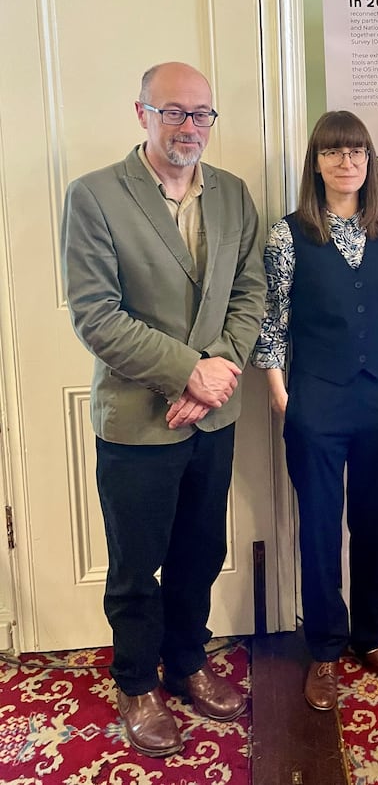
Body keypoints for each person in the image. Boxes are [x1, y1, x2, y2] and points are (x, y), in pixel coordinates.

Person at [61, 62, 266, 758]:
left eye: (202, 114)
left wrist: (218, 374)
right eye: (174, 112)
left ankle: (184, 664)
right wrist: (189, 371)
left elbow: (250, 294)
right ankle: (135, 682)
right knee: (135, 564)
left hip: (213, 418)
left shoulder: (234, 196)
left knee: (200, 554)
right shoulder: (94, 197)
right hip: (137, 420)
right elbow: (97, 317)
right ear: (141, 113)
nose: (190, 127)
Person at [252, 110, 378, 711]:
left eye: (356, 152)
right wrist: (279, 390)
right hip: (315, 399)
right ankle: (324, 649)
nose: (346, 161)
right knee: (321, 529)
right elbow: (272, 320)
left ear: (369, 162)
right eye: (332, 152)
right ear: (316, 162)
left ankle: (371, 636)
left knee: (374, 523)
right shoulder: (287, 234)